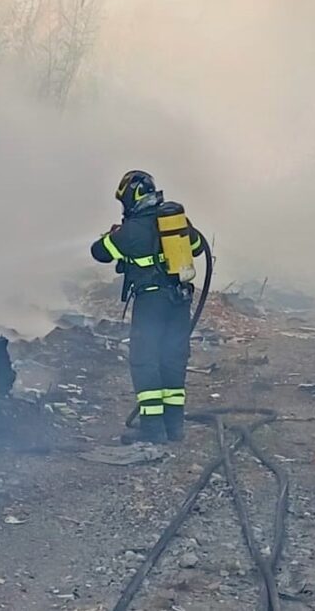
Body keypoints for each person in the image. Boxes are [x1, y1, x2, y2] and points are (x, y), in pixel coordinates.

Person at [90, 170, 205, 444]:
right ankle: (174, 427)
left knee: (145, 361)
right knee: (172, 359)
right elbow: (198, 246)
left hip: (151, 303)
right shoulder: (174, 221)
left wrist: (113, 234)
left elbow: (99, 251)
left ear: (132, 198)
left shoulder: (130, 231)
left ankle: (153, 429)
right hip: (179, 301)